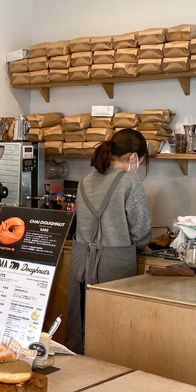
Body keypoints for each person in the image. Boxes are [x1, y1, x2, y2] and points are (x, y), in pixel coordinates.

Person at [65, 128, 152, 354]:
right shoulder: (130, 181)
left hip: (80, 266)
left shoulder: (84, 181)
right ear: (133, 157)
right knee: (112, 333)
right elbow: (141, 233)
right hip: (114, 268)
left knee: (82, 327)